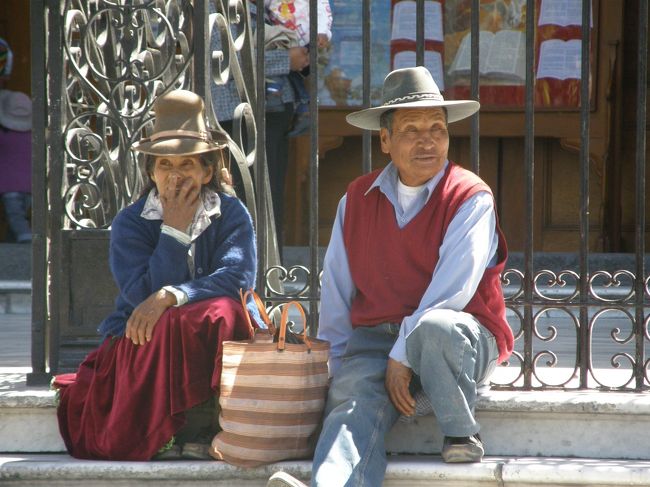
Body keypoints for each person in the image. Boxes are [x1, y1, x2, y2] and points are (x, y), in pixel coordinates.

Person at [267, 66, 514, 487]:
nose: (428, 140)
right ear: (385, 140)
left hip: (457, 339)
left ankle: (460, 430)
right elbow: (339, 291)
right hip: (376, 340)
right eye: (412, 129)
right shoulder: (357, 199)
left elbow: (451, 291)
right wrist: (340, 371)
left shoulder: (470, 196)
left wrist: (402, 353)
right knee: (350, 402)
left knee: (436, 326)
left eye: (437, 128)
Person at [56, 90, 259, 461]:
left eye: (187, 165)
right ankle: (168, 431)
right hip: (146, 343)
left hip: (209, 337)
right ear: (151, 171)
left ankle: (205, 426)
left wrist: (173, 294)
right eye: (165, 165)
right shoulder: (131, 222)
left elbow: (238, 278)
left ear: (207, 171)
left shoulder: (230, 213)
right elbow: (140, 296)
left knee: (221, 311)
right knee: (166, 322)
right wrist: (174, 233)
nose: (176, 176)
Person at [211, 0, 310, 249]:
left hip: (269, 113)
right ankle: (255, 269)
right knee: (252, 197)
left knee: (269, 194)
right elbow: (225, 61)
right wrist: (286, 59)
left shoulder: (261, 7)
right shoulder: (215, 9)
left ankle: (269, 270)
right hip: (240, 115)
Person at [264, 0, 332, 136]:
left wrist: (323, 31)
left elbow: (323, 8)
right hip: (282, 38)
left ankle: (301, 106)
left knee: (298, 72)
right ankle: (284, 97)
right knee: (286, 68)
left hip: (306, 40)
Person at [0, 90, 32, 243]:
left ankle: (24, 236)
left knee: (14, 213)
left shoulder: (3, 135)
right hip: (30, 183)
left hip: (7, 183)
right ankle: (13, 239)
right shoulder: (34, 136)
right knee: (21, 212)